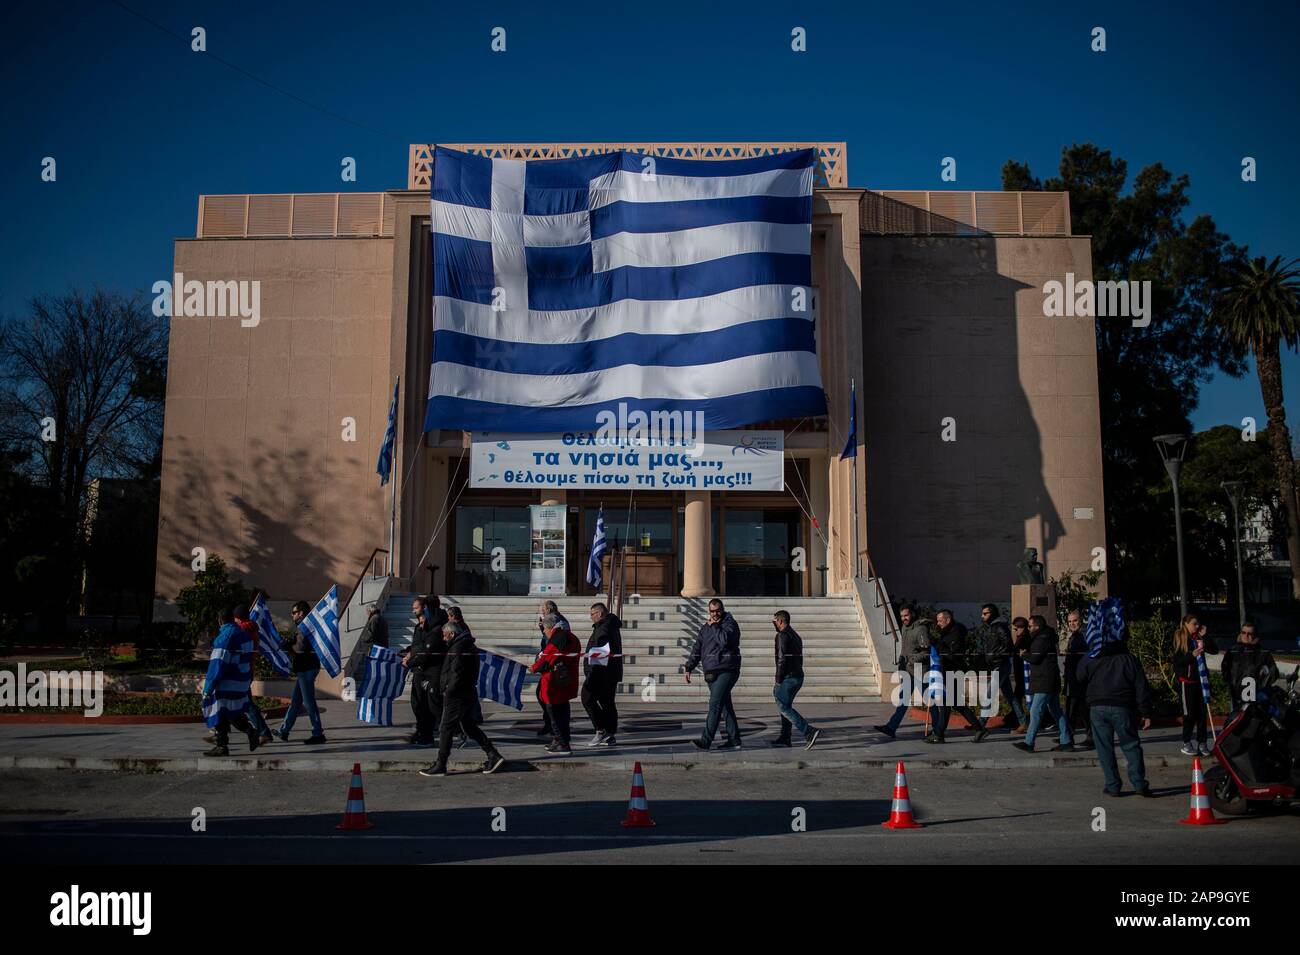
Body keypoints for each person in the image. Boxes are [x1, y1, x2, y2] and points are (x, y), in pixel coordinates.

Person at [419, 621, 505, 776]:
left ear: (452, 634)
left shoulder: (458, 647)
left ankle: (441, 764)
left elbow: (456, 673)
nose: (444, 639)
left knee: (445, 728)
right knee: (469, 726)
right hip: (465, 693)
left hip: (457, 695)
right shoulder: (464, 644)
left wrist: (447, 690)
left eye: (445, 636)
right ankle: (493, 754)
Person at [1076, 630, 1155, 797]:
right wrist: (1145, 712)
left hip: (1098, 706)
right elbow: (1141, 687)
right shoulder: (1129, 659)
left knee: (1104, 748)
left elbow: (1080, 675)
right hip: (1122, 706)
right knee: (1131, 745)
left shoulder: (1094, 656)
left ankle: (1113, 785)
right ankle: (1139, 783)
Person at [684, 598, 743, 750]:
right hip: (711, 672)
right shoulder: (705, 628)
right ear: (708, 611)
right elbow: (697, 648)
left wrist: (715, 625)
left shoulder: (730, 624)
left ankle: (706, 741)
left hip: (727, 670)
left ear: (722, 609)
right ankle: (734, 739)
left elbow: (724, 641)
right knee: (725, 706)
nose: (715, 614)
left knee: (715, 705)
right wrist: (689, 667)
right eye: (712, 611)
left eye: (718, 611)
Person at [202, 608, 261, 756]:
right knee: (231, 711)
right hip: (241, 680)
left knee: (219, 711)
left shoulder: (225, 638)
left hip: (227, 681)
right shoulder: (244, 635)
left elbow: (218, 665)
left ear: (220, 620)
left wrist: (208, 688)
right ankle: (250, 731)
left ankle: (222, 745)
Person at [925, 609, 989, 744]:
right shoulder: (946, 632)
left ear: (947, 620)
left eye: (940, 620)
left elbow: (952, 653)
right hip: (947, 670)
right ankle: (979, 728)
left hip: (953, 671)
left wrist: (940, 647)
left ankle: (939, 734)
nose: (938, 623)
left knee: (946, 703)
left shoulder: (956, 632)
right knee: (957, 703)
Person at [1013, 614, 1072, 753]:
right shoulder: (1044, 637)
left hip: (1044, 681)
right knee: (1056, 711)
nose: (1029, 628)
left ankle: (1029, 742)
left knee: (1035, 711)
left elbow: (1035, 658)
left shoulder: (1041, 639)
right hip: (1049, 680)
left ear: (1037, 626)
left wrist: (1024, 655)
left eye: (1031, 626)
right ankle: (1066, 740)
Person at [873, 604, 932, 738]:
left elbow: (927, 651)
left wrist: (912, 660)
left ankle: (938, 729)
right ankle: (891, 727)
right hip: (907, 671)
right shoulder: (905, 628)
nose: (904, 618)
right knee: (903, 700)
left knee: (929, 700)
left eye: (906, 615)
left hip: (919, 670)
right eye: (901, 616)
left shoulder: (921, 629)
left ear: (912, 614)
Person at [531, 613, 582, 754]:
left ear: (550, 627)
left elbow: (547, 658)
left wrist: (534, 668)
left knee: (555, 714)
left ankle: (562, 743)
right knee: (562, 712)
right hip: (565, 679)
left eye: (545, 630)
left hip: (555, 683)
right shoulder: (569, 636)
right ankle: (560, 740)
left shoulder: (558, 637)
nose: (545, 633)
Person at [276, 600, 326, 744]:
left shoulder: (304, 626)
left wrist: (287, 645)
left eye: (294, 612)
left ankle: (318, 733)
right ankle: (284, 731)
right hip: (306, 668)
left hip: (306, 668)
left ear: (301, 613)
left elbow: (300, 649)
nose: (292, 616)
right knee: (296, 702)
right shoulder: (304, 626)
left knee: (309, 703)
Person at [771, 610, 820, 749]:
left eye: (774, 621)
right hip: (798, 676)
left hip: (788, 678)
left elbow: (782, 659)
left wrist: (778, 680)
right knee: (786, 706)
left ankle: (809, 731)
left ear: (780, 621)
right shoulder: (796, 636)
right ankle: (785, 737)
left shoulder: (781, 635)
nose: (773, 624)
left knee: (783, 707)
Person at [970, 603, 1021, 733]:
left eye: (985, 613)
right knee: (1010, 696)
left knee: (988, 694)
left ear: (992, 613)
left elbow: (1008, 645)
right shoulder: (991, 627)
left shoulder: (1000, 627)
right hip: (996, 665)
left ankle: (980, 724)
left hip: (1000, 665)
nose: (982, 616)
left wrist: (994, 656)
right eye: (982, 613)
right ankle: (1023, 722)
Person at [1172, 614, 1219, 756]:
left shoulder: (1198, 637)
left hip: (1200, 681)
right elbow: (1177, 661)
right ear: (1186, 624)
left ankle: (1202, 743)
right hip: (1187, 683)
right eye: (1194, 624)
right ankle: (1186, 742)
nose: (1197, 626)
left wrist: (1206, 637)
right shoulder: (1180, 637)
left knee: (1202, 714)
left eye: (1198, 624)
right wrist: (1191, 655)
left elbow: (1214, 650)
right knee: (1189, 714)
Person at [402, 595, 446, 746]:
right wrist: (408, 653)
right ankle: (422, 732)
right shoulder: (420, 626)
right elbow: (418, 646)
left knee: (432, 706)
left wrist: (410, 661)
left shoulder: (435, 627)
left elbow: (427, 649)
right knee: (418, 703)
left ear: (425, 608)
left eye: (416, 608)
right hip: (419, 669)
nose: (413, 610)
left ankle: (450, 732)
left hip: (430, 670)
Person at [581, 602, 622, 746]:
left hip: (601, 672)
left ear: (599, 614)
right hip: (610, 672)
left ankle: (601, 730)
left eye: (592, 614)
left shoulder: (603, 627)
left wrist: (592, 671)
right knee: (607, 702)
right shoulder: (610, 624)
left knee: (587, 698)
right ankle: (609, 734)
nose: (590, 617)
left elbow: (600, 649)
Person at [232, 604, 273, 744]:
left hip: (241, 671)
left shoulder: (243, 630)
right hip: (248, 669)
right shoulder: (252, 629)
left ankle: (263, 732)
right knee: (241, 703)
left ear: (237, 618)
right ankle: (219, 732)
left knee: (245, 704)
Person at [1221, 619, 1278, 714]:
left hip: (1256, 697)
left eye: (1249, 634)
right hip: (1236, 695)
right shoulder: (1232, 651)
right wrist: (1230, 683)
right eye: (1243, 632)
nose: (1246, 636)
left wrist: (1262, 684)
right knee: (1236, 722)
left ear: (1254, 635)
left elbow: (1274, 672)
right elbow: (1225, 669)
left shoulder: (1263, 652)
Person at [533, 600, 570, 737]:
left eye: (543, 609)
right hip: (549, 665)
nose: (542, 612)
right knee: (542, 695)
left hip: (554, 667)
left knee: (550, 698)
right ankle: (551, 724)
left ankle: (556, 729)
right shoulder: (553, 622)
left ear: (548, 610)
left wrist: (539, 665)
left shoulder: (560, 624)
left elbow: (553, 646)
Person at [1062, 609, 1094, 749]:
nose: (1072, 624)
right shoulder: (1076, 635)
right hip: (1074, 678)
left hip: (1079, 679)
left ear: (1081, 620)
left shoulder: (1083, 635)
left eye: (1075, 620)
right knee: (1078, 709)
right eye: (1070, 621)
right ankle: (1071, 736)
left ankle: (1068, 738)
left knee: (1074, 709)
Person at [1008, 616, 1033, 735]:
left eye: (1017, 628)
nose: (1016, 631)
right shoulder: (1021, 638)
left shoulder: (1024, 639)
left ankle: (1022, 722)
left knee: (1017, 698)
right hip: (1020, 673)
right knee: (1017, 698)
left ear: (1022, 628)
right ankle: (1013, 719)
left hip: (1024, 674)